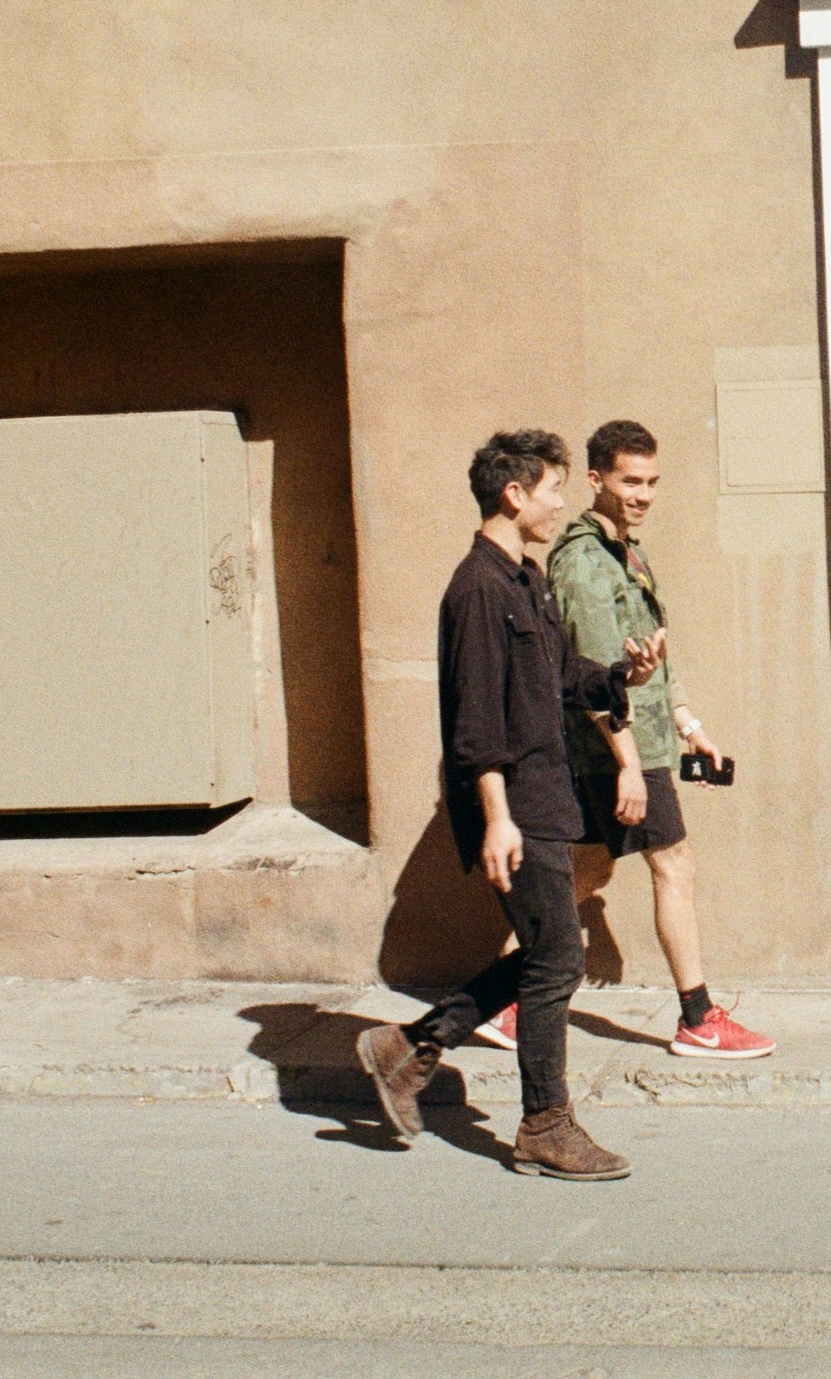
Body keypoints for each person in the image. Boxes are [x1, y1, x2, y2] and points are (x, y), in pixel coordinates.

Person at [357, 430, 663, 1181]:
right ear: (514, 494)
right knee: (558, 959)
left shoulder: (523, 580)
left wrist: (620, 673)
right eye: (553, 489)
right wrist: (496, 815)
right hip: (514, 805)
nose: (561, 503)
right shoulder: (476, 590)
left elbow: (563, 677)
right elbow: (474, 723)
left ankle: (407, 1047)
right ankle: (543, 1125)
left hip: (544, 796)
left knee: (549, 954)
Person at [544, 419, 774, 1058]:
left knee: (584, 872)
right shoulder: (585, 562)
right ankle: (698, 1017)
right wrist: (626, 766)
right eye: (629, 481)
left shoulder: (625, 549)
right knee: (674, 864)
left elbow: (651, 663)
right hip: (616, 748)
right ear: (596, 480)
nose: (643, 494)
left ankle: (508, 998)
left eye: (651, 482)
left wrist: (689, 728)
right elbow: (596, 675)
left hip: (637, 741)